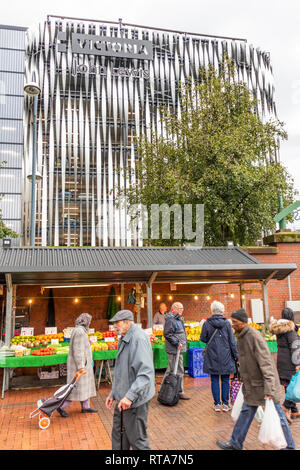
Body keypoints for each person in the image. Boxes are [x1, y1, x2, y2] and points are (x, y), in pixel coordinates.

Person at [217, 308, 295, 450]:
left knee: (279, 416)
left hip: (264, 385)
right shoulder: (241, 335)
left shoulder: (254, 336)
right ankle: (235, 443)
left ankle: (289, 447)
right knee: (246, 412)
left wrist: (270, 388)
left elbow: (266, 363)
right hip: (252, 385)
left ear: (243, 322)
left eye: (235, 322)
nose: (232, 324)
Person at [105, 309, 155, 450]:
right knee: (120, 437)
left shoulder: (138, 339)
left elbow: (145, 373)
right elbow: (121, 370)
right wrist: (113, 393)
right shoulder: (125, 338)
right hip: (123, 400)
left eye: (117, 323)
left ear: (127, 322)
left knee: (138, 440)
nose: (114, 326)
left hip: (135, 401)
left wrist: (130, 396)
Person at [200, 300, 238, 412]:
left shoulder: (207, 323)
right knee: (226, 379)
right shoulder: (227, 323)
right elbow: (232, 341)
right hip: (226, 355)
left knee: (214, 380)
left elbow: (203, 338)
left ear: (212, 310)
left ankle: (216, 404)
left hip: (212, 355)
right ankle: (226, 404)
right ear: (222, 311)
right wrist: (236, 356)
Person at [57, 313, 97, 417]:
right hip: (80, 366)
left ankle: (86, 407)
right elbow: (78, 351)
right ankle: (61, 407)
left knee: (84, 387)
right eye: (89, 321)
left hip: (83, 364)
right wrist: (81, 367)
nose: (90, 323)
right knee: (74, 388)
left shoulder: (80, 330)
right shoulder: (80, 332)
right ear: (86, 321)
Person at [270, 307, 300, 423]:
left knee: (289, 386)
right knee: (292, 386)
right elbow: (295, 347)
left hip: (282, 362)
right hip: (290, 363)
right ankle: (285, 407)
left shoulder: (279, 330)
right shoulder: (290, 330)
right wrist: (298, 363)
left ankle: (294, 410)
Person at [162, 301, 190, 400]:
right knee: (176, 370)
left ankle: (164, 390)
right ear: (175, 309)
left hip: (177, 349)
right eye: (180, 308)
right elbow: (167, 334)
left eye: (182, 308)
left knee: (172, 370)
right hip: (174, 349)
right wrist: (177, 343)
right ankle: (179, 391)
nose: (182, 310)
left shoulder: (177, 319)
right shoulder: (171, 319)